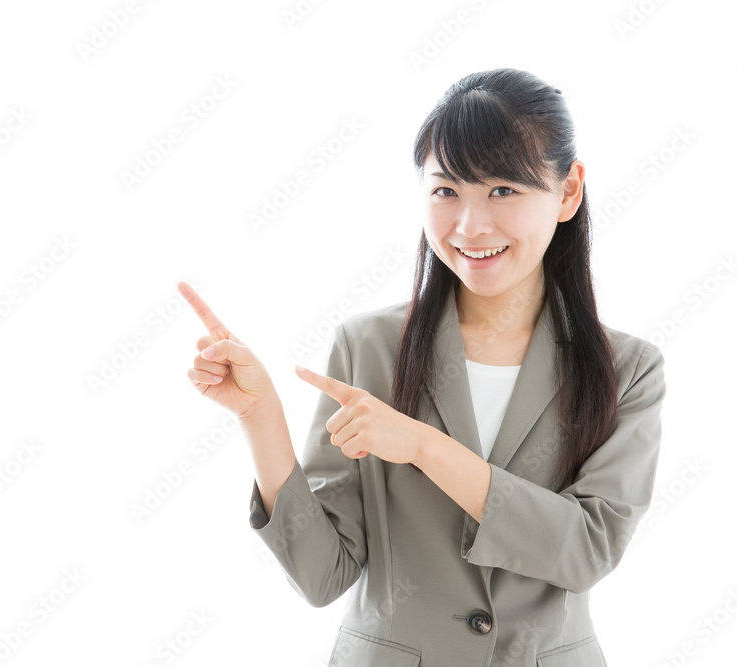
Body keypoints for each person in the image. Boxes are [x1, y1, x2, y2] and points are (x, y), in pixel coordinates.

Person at [179, 67, 666, 666]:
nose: (470, 225)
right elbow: (321, 575)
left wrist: (424, 447)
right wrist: (260, 418)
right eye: (446, 191)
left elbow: (586, 550)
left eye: (503, 190)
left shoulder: (628, 369)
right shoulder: (369, 346)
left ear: (568, 192)